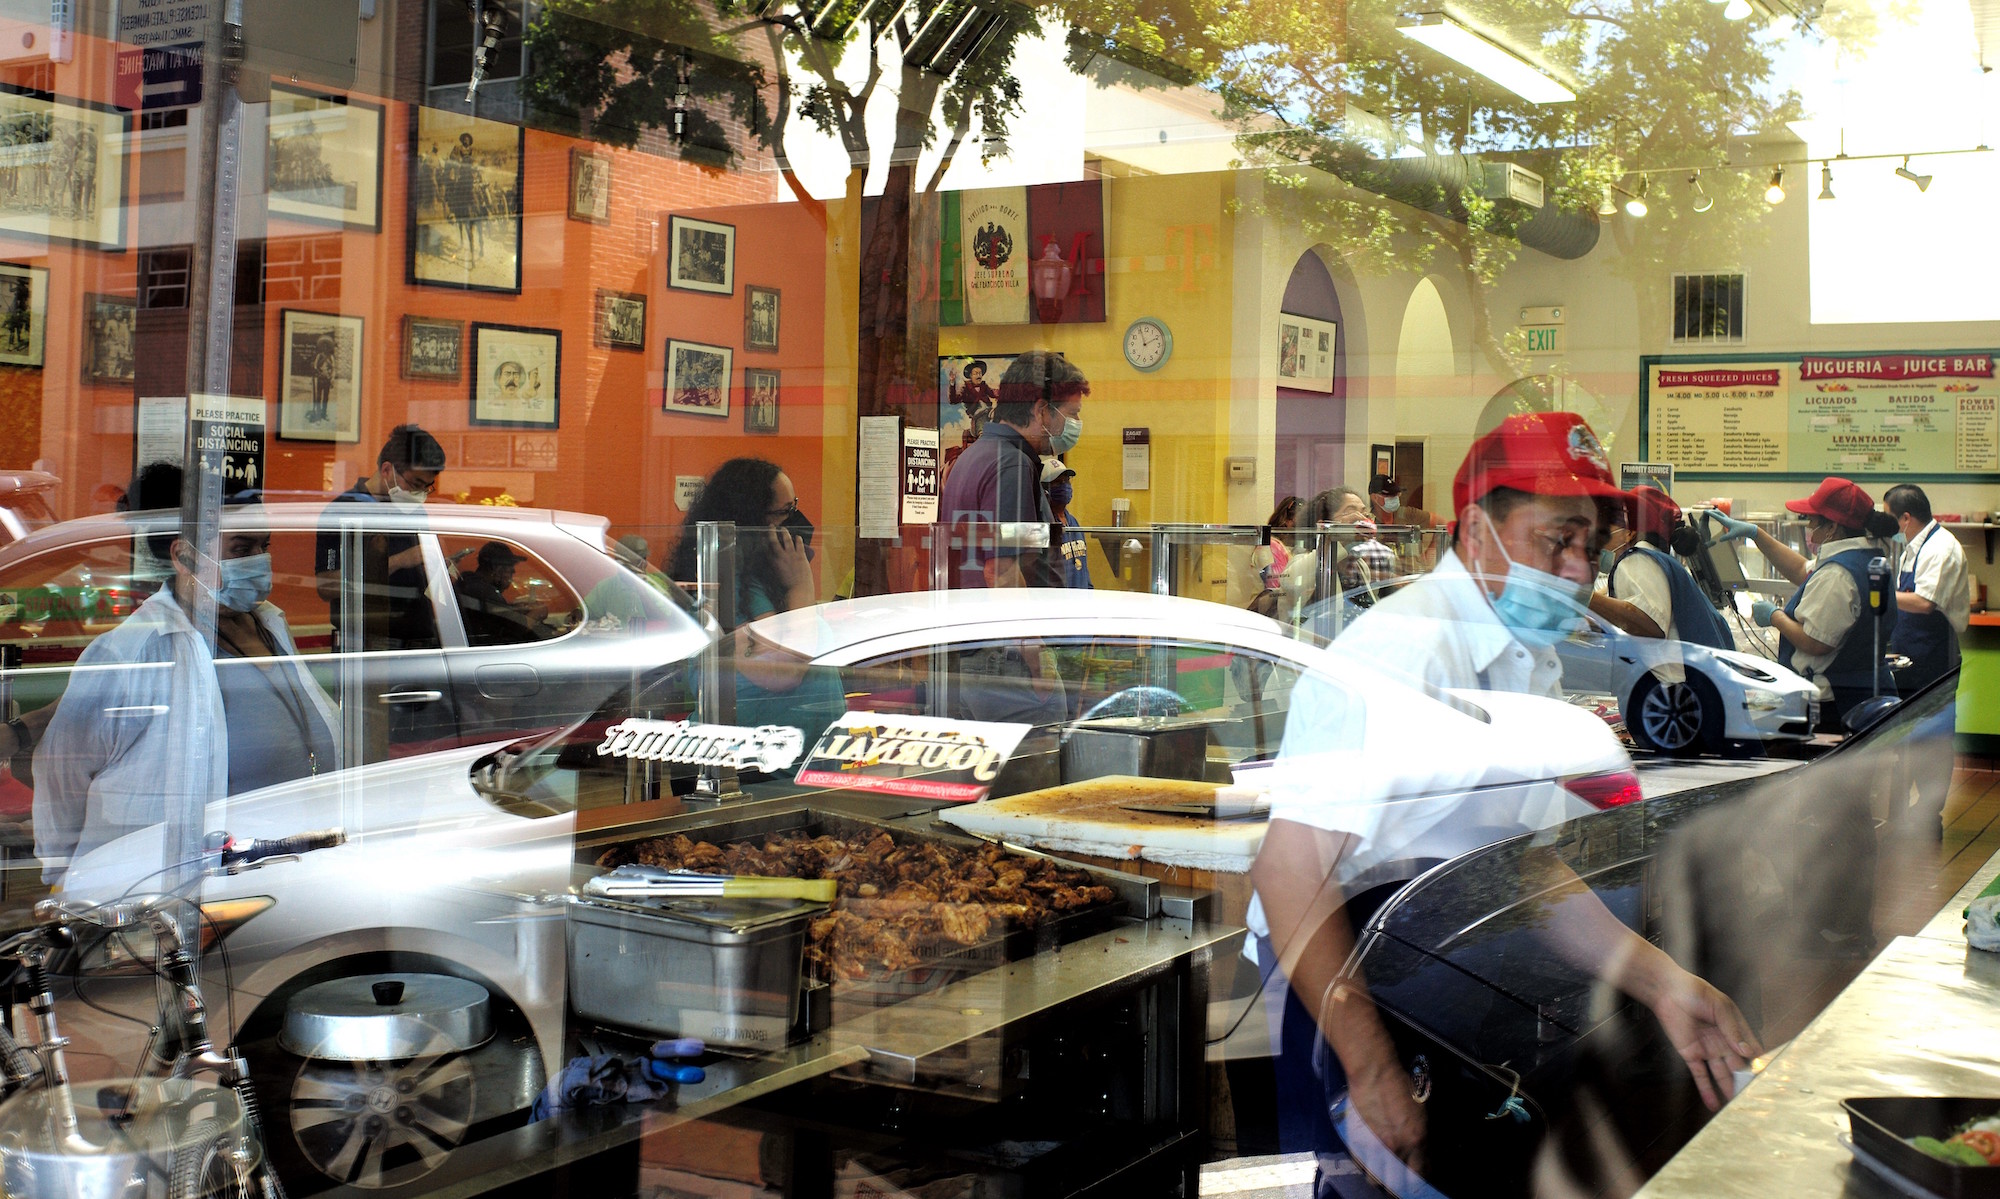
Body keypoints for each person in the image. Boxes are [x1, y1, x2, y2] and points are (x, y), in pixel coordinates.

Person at [1254, 412, 1760, 1171]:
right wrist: (1369, 1066)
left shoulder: (1527, 658)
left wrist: (1663, 984)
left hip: (1435, 984)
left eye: (1589, 546)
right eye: (1556, 538)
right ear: (1476, 530)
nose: (1576, 568)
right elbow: (1288, 869)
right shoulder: (1407, 647)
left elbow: (1523, 868)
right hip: (1341, 996)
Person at [34, 503, 340, 889]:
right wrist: (64, 870)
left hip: (285, 862)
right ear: (184, 557)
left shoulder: (271, 623)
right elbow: (61, 767)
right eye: (241, 551)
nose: (260, 561)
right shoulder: (136, 647)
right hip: (177, 880)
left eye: (264, 547)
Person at [665, 459, 841, 738]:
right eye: (786, 512)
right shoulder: (730, 586)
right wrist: (801, 587)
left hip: (795, 763)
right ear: (752, 519)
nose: (798, 521)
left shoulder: (762, 580)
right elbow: (781, 673)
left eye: (795, 506)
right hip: (756, 764)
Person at [1710, 477, 1901, 724]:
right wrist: (1757, 535)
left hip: (1836, 702)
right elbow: (1803, 570)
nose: (1809, 525)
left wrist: (1774, 616)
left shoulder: (1838, 575)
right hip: (1863, 688)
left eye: (1813, 520)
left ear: (1832, 527)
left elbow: (1816, 643)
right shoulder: (1863, 557)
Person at [939, 350, 1088, 590]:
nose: (1076, 423)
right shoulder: (1012, 465)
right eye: (1071, 414)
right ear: (1041, 410)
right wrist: (1031, 629)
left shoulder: (976, 455)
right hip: (1005, 624)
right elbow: (1001, 572)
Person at [316, 424, 446, 653]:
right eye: (415, 485)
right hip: (368, 646)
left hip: (422, 641)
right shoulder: (343, 511)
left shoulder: (414, 512)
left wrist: (440, 566)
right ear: (387, 470)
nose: (420, 495)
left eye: (427, 487)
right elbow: (327, 586)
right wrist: (399, 560)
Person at [1590, 485, 1733, 648]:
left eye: (1604, 531)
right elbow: (1630, 606)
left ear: (1629, 532)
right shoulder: (1656, 559)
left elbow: (1650, 624)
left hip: (1663, 672)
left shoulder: (1637, 558)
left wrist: (1583, 597)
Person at [1883, 484, 1968, 695]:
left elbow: (1924, 603)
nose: (1886, 525)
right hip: (1910, 655)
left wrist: (1876, 592)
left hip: (1934, 658)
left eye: (1888, 518)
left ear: (1906, 518)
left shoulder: (1940, 548)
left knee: (1932, 726)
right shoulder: (1912, 549)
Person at [455, 541, 553, 645]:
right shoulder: (483, 591)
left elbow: (493, 612)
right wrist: (538, 612)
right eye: (510, 570)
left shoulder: (470, 584)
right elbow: (517, 628)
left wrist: (514, 608)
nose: (513, 574)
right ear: (498, 569)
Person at [1042, 458, 1092, 589]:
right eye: (1057, 483)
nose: (1065, 486)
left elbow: (1084, 568)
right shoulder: (1045, 526)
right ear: (1044, 489)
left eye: (1067, 481)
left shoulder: (1073, 522)